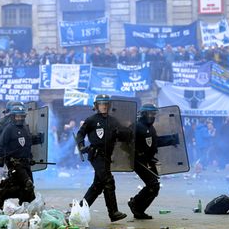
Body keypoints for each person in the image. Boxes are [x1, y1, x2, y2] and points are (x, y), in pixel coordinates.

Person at [75, 94, 130, 222]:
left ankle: (79, 209)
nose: (104, 106)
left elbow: (124, 136)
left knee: (97, 186)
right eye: (101, 104)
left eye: (106, 104)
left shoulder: (113, 121)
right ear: (96, 106)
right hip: (96, 155)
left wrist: (124, 132)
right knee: (108, 181)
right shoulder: (91, 120)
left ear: (109, 106)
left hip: (107, 157)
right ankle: (113, 212)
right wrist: (82, 146)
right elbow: (80, 134)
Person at [128, 104, 179, 219]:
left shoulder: (150, 128)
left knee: (154, 187)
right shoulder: (136, 126)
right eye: (150, 114)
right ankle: (135, 204)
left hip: (148, 160)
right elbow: (125, 143)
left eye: (154, 114)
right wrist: (135, 153)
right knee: (153, 184)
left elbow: (153, 143)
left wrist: (172, 139)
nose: (152, 116)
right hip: (138, 161)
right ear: (144, 114)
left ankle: (138, 209)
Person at [0, 105, 44, 208]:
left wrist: (30, 157)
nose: (20, 118)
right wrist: (0, 159)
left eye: (22, 116)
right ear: (13, 117)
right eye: (17, 116)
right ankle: (1, 196)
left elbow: (27, 144)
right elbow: (0, 145)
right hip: (15, 163)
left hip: (25, 162)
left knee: (24, 186)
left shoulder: (25, 128)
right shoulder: (9, 129)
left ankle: (24, 205)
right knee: (28, 183)